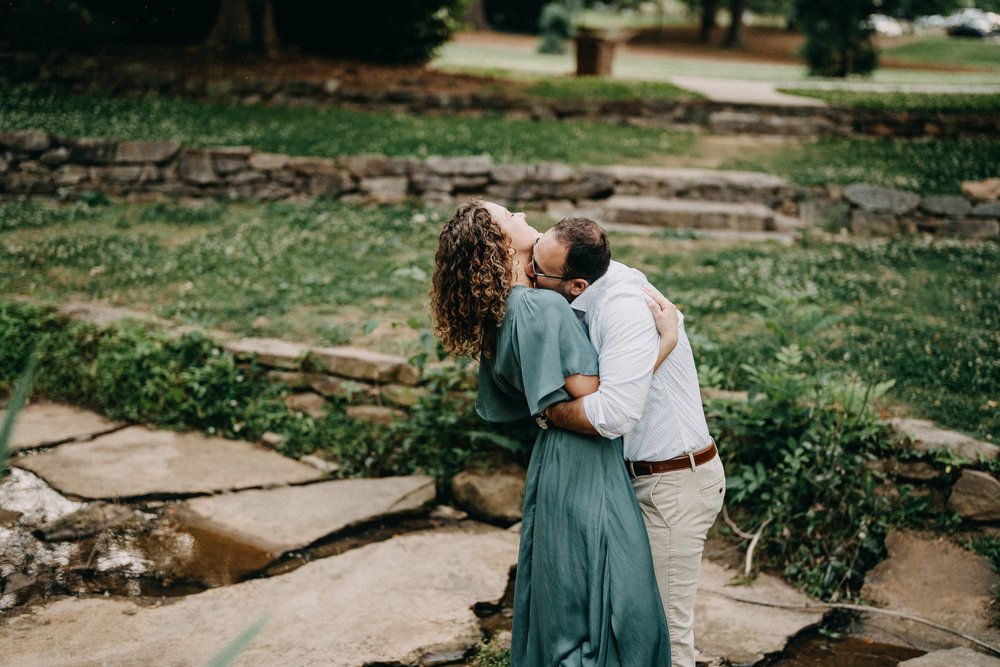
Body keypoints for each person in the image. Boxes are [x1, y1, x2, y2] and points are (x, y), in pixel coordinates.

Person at [430, 201, 675, 667]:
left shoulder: (500, 310)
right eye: (510, 217)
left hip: (551, 458)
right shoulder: (542, 307)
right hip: (585, 460)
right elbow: (600, 398)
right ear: (503, 244)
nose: (522, 216)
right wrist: (664, 343)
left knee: (560, 593)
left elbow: (533, 400)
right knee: (617, 598)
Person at [532, 218, 726, 667]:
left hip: (671, 486)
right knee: (627, 625)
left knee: (665, 635)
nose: (530, 275)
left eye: (538, 273)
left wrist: (548, 413)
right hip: (637, 483)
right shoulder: (587, 282)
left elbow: (615, 412)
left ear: (577, 283)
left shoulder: (621, 307)